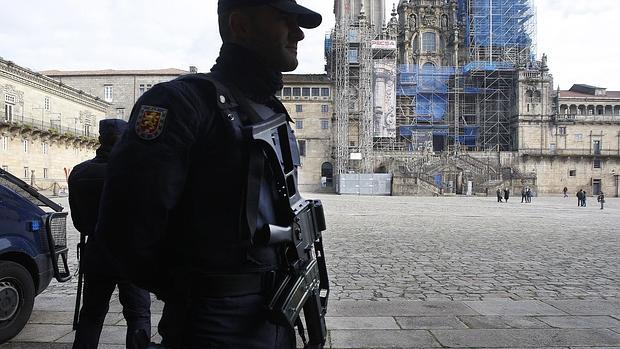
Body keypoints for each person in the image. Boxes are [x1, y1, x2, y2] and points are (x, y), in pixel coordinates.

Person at [95, 1, 323, 348]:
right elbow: (124, 230)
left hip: (275, 314)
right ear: (240, 26)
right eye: (283, 19)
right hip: (213, 326)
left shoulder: (269, 109)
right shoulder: (183, 104)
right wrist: (197, 290)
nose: (298, 32)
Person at [68, 119, 151, 349]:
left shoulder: (78, 172)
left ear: (100, 139)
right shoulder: (138, 172)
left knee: (91, 316)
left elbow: (78, 222)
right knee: (138, 316)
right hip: (130, 255)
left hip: (96, 251)